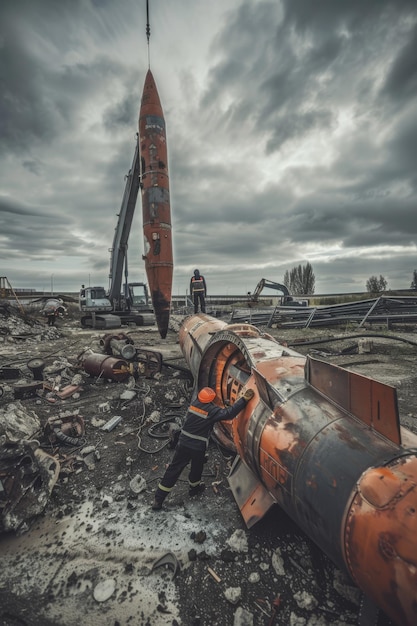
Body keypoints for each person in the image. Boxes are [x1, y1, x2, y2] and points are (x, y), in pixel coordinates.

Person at [152, 386, 255, 510]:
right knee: (196, 468)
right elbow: (229, 414)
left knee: (173, 470)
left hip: (183, 443)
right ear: (211, 399)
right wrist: (243, 400)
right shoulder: (211, 411)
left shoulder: (194, 404)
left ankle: (158, 499)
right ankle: (194, 489)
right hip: (197, 447)